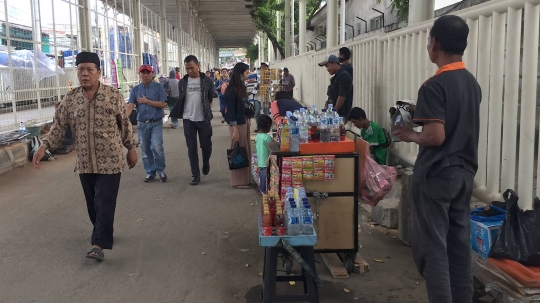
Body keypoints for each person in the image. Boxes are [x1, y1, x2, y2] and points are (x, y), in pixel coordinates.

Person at [392, 15, 480, 303]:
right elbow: (454, 118)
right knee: (458, 247)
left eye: (429, 39)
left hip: (437, 176)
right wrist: (422, 111)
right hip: (464, 175)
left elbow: (435, 136)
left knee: (433, 250)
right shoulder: (470, 82)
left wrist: (409, 134)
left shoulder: (434, 84)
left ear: (435, 44)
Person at [32, 52, 139, 261]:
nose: (85, 74)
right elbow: (59, 126)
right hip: (84, 162)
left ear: (99, 72)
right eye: (81, 69)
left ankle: (98, 244)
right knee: (93, 204)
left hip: (111, 160)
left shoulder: (113, 95)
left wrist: (131, 148)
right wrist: (44, 147)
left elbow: (124, 125)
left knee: (105, 201)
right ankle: (104, 229)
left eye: (90, 69)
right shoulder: (70, 100)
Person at [170, 55, 214, 186]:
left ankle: (206, 162)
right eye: (187, 68)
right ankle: (195, 174)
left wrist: (207, 107)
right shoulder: (182, 82)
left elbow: (210, 97)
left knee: (206, 146)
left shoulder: (207, 81)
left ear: (198, 65)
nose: (189, 71)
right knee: (191, 148)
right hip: (188, 119)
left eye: (192, 68)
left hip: (203, 119)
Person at [127, 64, 168, 183]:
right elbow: (130, 105)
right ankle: (150, 172)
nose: (145, 75)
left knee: (156, 147)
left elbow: (163, 104)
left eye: (147, 73)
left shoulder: (158, 87)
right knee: (145, 149)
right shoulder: (135, 90)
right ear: (139, 74)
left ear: (152, 74)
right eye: (142, 73)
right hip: (142, 125)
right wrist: (124, 118)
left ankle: (161, 171)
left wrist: (146, 101)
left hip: (156, 123)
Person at [225, 63, 252, 189]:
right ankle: (237, 181)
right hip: (237, 124)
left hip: (243, 121)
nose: (248, 75)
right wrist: (235, 129)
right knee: (238, 150)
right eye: (246, 73)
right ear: (240, 74)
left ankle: (245, 179)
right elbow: (230, 110)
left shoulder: (241, 87)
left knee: (244, 150)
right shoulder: (232, 89)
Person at [318, 54, 353, 119]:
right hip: (333, 112)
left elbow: (341, 97)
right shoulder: (337, 76)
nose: (327, 69)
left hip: (339, 114)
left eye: (328, 66)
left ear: (334, 63)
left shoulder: (343, 76)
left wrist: (334, 112)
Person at [255, 115, 273, 194]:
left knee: (262, 175)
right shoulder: (267, 137)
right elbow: (271, 148)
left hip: (260, 159)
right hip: (266, 160)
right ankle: (263, 190)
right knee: (264, 176)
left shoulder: (258, 136)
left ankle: (262, 189)